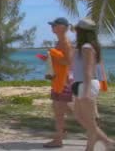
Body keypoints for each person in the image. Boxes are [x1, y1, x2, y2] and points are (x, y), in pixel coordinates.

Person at [72, 18, 115, 151]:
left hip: (85, 84)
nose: (75, 32)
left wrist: (87, 91)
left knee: (89, 121)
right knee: (80, 116)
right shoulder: (84, 47)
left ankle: (106, 142)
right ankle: (99, 144)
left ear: (81, 31)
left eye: (77, 30)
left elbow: (89, 70)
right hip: (80, 84)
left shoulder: (87, 47)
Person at [43, 17, 74, 148]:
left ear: (63, 28)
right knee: (57, 109)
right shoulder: (59, 42)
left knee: (59, 112)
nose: (52, 27)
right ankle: (63, 132)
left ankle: (58, 139)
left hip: (63, 82)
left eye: (55, 25)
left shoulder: (66, 43)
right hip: (57, 80)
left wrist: (53, 53)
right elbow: (59, 60)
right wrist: (49, 58)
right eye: (52, 25)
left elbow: (68, 61)